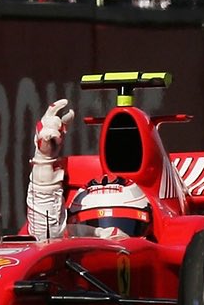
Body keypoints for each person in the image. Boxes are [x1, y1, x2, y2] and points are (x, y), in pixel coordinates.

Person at [26, 99, 152, 241]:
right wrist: (44, 162)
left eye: (126, 226)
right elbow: (47, 239)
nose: (113, 236)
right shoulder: (65, 243)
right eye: (91, 224)